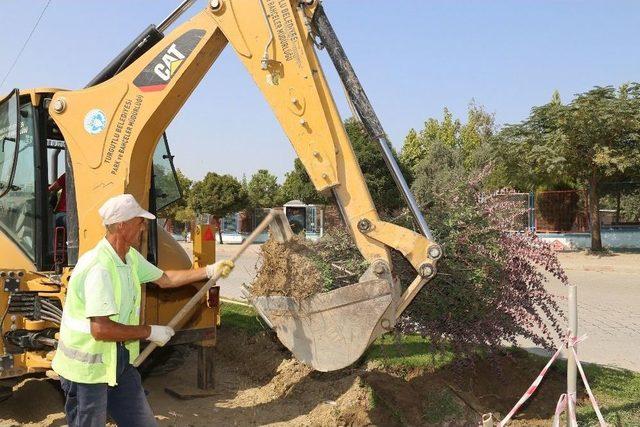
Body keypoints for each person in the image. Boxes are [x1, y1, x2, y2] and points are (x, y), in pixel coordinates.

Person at [51, 194, 234, 427]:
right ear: (121, 225)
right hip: (87, 371)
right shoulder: (99, 268)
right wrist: (149, 331)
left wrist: (209, 271)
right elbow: (101, 329)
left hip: (118, 362)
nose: (144, 227)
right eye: (139, 221)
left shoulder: (129, 257)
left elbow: (165, 279)